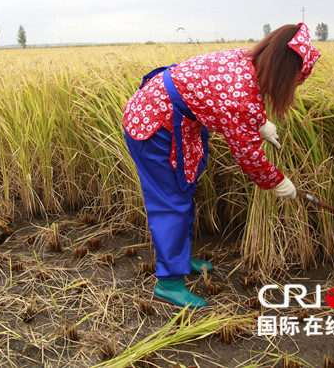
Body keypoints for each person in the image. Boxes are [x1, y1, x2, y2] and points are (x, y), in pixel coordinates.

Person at [123, 23, 321, 308]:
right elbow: (249, 156)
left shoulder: (250, 59)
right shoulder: (243, 95)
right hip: (154, 126)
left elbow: (220, 96)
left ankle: (180, 256)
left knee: (184, 189)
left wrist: (258, 124)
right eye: (295, 82)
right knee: (170, 201)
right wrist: (277, 181)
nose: (294, 88)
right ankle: (168, 282)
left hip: (178, 120)